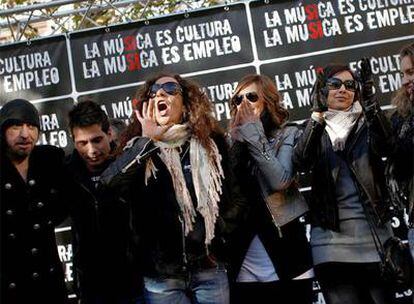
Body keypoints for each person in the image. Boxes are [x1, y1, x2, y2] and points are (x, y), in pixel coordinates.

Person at [100, 73, 246, 304]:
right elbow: (108, 187)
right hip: (162, 276)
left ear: (186, 102)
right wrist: (146, 141)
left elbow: (235, 196)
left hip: (208, 268)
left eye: (170, 88)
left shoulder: (211, 144)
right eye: (154, 91)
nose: (160, 93)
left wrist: (220, 233)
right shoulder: (137, 147)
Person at [292, 61, 395, 304]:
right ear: (321, 91)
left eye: (350, 85)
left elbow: (388, 147)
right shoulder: (310, 129)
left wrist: (370, 104)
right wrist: (317, 117)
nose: (342, 90)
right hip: (331, 246)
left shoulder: (369, 123)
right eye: (334, 84)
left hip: (377, 241)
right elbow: (301, 163)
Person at [227, 74, 314, 304]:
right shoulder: (229, 144)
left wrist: (254, 135)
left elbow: (280, 181)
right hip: (244, 264)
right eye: (238, 100)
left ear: (267, 101)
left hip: (288, 256)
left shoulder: (288, 133)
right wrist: (237, 145)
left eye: (252, 97)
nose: (244, 104)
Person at [66, 100, 142, 304]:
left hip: (136, 283)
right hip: (93, 289)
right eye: (82, 143)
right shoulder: (67, 173)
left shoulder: (131, 163)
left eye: (97, 140)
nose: (91, 150)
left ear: (110, 134)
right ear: (74, 141)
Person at [0, 99, 68, 303]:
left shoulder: (50, 161)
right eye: (16, 126)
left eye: (31, 126)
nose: (25, 134)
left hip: (48, 284)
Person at [387, 43, 414, 261]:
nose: (405, 80)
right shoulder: (401, 118)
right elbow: (399, 156)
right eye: (403, 74)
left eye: (411, 72)